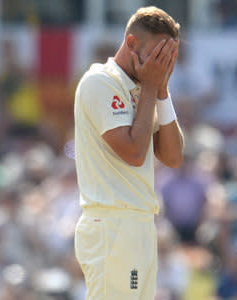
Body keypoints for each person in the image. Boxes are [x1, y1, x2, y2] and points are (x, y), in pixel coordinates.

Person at [73, 6, 184, 300]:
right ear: (132, 44)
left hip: (138, 225)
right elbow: (134, 152)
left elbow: (172, 157)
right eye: (157, 55)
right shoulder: (100, 82)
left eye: (168, 58)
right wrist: (150, 86)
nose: (161, 65)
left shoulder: (144, 90)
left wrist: (161, 90)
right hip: (113, 226)